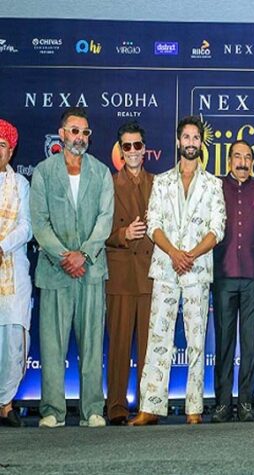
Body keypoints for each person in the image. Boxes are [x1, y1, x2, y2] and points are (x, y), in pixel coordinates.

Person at [129, 116, 225, 426]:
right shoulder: (162, 182)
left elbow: (217, 229)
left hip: (197, 269)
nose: (191, 142)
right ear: (178, 141)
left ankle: (194, 407)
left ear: (201, 143)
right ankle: (150, 407)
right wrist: (174, 253)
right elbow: (153, 224)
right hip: (166, 268)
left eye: (196, 138)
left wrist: (190, 255)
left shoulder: (213, 185)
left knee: (196, 340)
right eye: (186, 137)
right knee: (159, 338)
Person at [30, 107, 114, 428]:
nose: (80, 137)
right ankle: (53, 410)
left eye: (85, 132)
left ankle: (92, 409)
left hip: (91, 271)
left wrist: (85, 255)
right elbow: (40, 222)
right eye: (74, 131)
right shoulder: (43, 172)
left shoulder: (101, 172)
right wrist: (65, 256)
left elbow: (105, 220)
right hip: (55, 271)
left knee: (92, 344)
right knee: (52, 345)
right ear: (62, 133)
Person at [211, 140, 254, 423]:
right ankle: (222, 404)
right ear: (229, 161)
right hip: (223, 274)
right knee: (224, 342)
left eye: (248, 157)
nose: (242, 162)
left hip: (253, 276)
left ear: (253, 162)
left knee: (250, 342)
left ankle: (246, 402)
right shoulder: (215, 188)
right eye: (237, 157)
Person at [104, 121, 154, 426]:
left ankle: (148, 406)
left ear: (144, 149)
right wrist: (123, 233)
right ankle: (116, 407)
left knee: (149, 347)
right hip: (121, 273)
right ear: (120, 151)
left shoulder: (158, 183)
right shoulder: (108, 184)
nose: (133, 151)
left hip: (150, 274)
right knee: (119, 346)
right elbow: (98, 230)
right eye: (127, 146)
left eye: (137, 145)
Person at [0, 119, 32, 428]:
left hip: (13, 268)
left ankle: (6, 404)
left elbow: (26, 226)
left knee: (13, 341)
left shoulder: (20, 184)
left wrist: (1, 246)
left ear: (11, 151)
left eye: (2, 145)